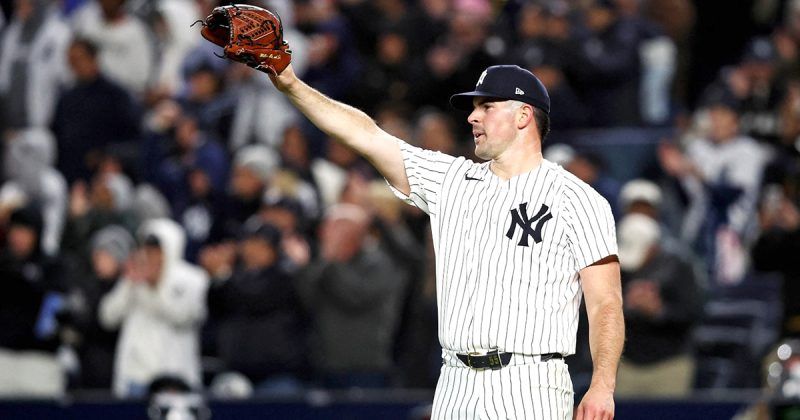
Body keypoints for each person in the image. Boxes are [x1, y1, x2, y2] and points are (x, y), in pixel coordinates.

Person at [261, 45, 623, 418]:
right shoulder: (450, 180)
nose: (472, 117)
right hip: (454, 381)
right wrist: (291, 84)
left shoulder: (577, 199)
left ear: (523, 115)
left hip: (531, 381)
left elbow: (605, 302)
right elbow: (366, 135)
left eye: (487, 106)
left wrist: (602, 385)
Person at [99, 218, 208, 397]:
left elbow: (183, 317)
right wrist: (127, 284)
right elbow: (108, 317)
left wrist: (155, 286)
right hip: (135, 376)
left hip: (174, 378)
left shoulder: (192, 278)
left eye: (157, 249)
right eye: (147, 248)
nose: (151, 254)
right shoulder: (135, 277)